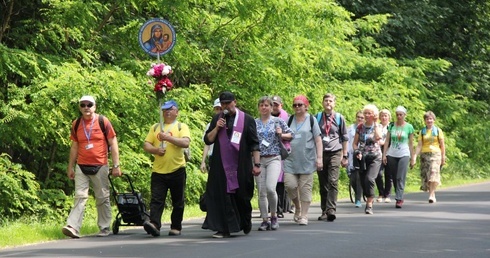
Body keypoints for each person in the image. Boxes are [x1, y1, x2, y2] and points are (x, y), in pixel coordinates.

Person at [201, 91, 261, 238]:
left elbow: (254, 143)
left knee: (242, 196)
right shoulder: (217, 118)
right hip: (220, 164)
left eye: (228, 103)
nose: (226, 106)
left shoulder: (247, 119)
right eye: (223, 104)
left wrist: (257, 164)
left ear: (235, 102)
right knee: (221, 195)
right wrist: (217, 128)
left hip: (241, 164)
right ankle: (223, 228)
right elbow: (208, 140)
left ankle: (245, 221)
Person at [62, 95, 122, 238]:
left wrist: (116, 165)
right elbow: (74, 146)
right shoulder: (76, 124)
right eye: (83, 105)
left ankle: (104, 227)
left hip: (100, 164)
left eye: (89, 105)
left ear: (94, 107)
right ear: (79, 107)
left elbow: (113, 143)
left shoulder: (103, 121)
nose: (86, 108)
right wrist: (70, 166)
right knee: (80, 196)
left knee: (102, 197)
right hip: (81, 165)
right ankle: (73, 227)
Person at [142, 100, 191, 237]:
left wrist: (168, 139)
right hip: (158, 170)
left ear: (177, 112)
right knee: (157, 199)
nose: (167, 112)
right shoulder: (156, 127)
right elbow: (146, 145)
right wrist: (156, 150)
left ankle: (176, 226)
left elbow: (185, 142)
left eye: (171, 109)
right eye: (165, 110)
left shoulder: (181, 127)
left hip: (177, 169)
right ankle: (154, 224)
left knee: (178, 201)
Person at [255, 96, 293, 231]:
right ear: (259, 108)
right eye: (261, 105)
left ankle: (274, 216)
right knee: (261, 192)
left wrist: (281, 134)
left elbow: (291, 135)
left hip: (274, 158)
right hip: (259, 160)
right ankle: (264, 220)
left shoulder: (278, 121)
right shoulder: (254, 123)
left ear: (271, 108)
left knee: (271, 188)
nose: (264, 107)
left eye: (267, 105)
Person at [284, 95, 323, 225]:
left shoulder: (312, 120)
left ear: (306, 106)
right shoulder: (289, 120)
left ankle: (304, 215)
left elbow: (318, 140)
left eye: (300, 105)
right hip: (291, 160)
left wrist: (319, 158)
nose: (297, 107)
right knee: (290, 185)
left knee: (305, 189)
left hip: (307, 160)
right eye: (295, 105)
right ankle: (297, 207)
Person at [316, 93, 348, 222]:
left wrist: (344, 155)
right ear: (323, 103)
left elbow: (345, 137)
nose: (328, 103)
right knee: (323, 182)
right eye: (326, 101)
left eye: (330, 101)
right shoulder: (317, 117)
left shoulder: (339, 118)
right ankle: (324, 209)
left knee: (333, 181)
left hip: (335, 151)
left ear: (334, 103)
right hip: (321, 153)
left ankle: (331, 209)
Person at [382, 106, 415, 209]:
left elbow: (411, 143)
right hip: (392, 154)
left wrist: (413, 157)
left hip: (404, 154)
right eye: (397, 114)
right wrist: (384, 154)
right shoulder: (391, 126)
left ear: (404, 115)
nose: (399, 116)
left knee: (400, 176)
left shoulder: (409, 127)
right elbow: (387, 141)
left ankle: (399, 198)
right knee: (395, 176)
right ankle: (398, 194)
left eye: (401, 114)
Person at [352, 104, 382, 215]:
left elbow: (378, 138)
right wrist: (357, 151)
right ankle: (368, 195)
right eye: (365, 113)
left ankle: (369, 204)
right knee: (363, 181)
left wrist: (375, 124)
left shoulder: (377, 126)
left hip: (375, 156)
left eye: (369, 113)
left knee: (370, 179)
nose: (367, 115)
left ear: (374, 115)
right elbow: (355, 143)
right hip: (362, 157)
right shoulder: (360, 127)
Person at [411, 111, 446, 203]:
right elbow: (419, 145)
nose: (429, 120)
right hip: (424, 155)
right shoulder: (422, 131)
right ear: (425, 121)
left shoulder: (438, 131)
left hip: (436, 154)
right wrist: (414, 156)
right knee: (427, 176)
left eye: (430, 119)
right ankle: (432, 193)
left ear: (434, 120)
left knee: (433, 173)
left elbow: (442, 145)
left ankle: (431, 195)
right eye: (427, 119)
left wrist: (443, 157)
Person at [271, 95, 292, 217]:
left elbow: (291, 134)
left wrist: (281, 135)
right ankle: (275, 208)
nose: (274, 107)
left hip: (284, 151)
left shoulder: (287, 118)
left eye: (276, 105)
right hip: (269, 152)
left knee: (282, 182)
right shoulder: (266, 117)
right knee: (273, 182)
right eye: (272, 104)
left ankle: (282, 207)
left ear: (281, 105)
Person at [347, 111, 365, 208]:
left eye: (362, 117)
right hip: (351, 155)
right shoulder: (350, 128)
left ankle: (358, 199)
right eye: (358, 117)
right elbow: (346, 141)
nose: (360, 119)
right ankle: (359, 192)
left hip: (362, 154)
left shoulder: (366, 129)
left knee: (359, 177)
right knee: (352, 179)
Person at [200, 98, 222, 173]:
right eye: (217, 109)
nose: (219, 111)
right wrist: (203, 161)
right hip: (213, 157)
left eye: (221, 109)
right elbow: (207, 144)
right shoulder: (210, 125)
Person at [377, 109, 392, 203]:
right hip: (378, 150)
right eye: (382, 115)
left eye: (386, 115)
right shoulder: (377, 126)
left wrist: (385, 143)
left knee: (388, 174)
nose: (384, 117)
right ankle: (381, 193)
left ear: (389, 117)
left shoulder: (392, 126)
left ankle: (387, 194)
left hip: (390, 151)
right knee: (378, 173)